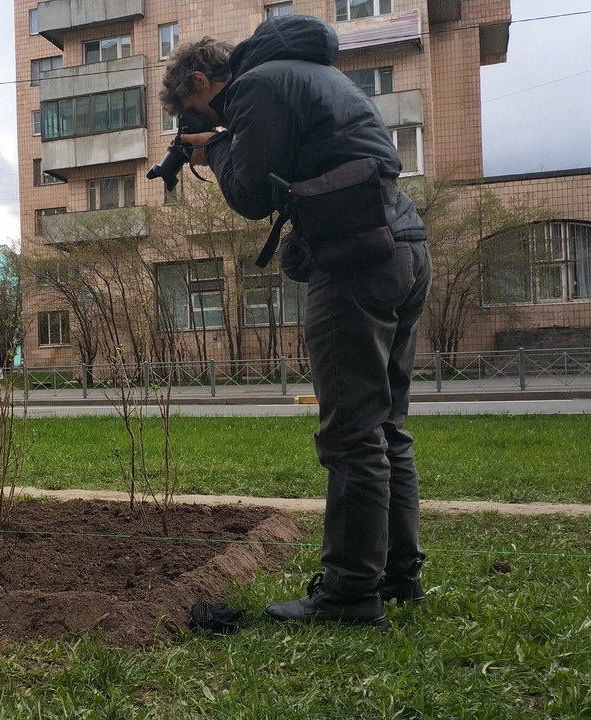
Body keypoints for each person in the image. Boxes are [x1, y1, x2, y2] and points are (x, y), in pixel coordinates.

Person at [161, 15, 432, 628]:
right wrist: (225, 137)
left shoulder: (259, 86)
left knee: (350, 434)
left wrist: (220, 145)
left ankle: (348, 595)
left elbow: (253, 194)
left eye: (194, 108)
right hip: (404, 247)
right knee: (387, 425)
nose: (199, 120)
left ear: (202, 79)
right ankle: (396, 575)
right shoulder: (309, 73)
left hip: (355, 260)